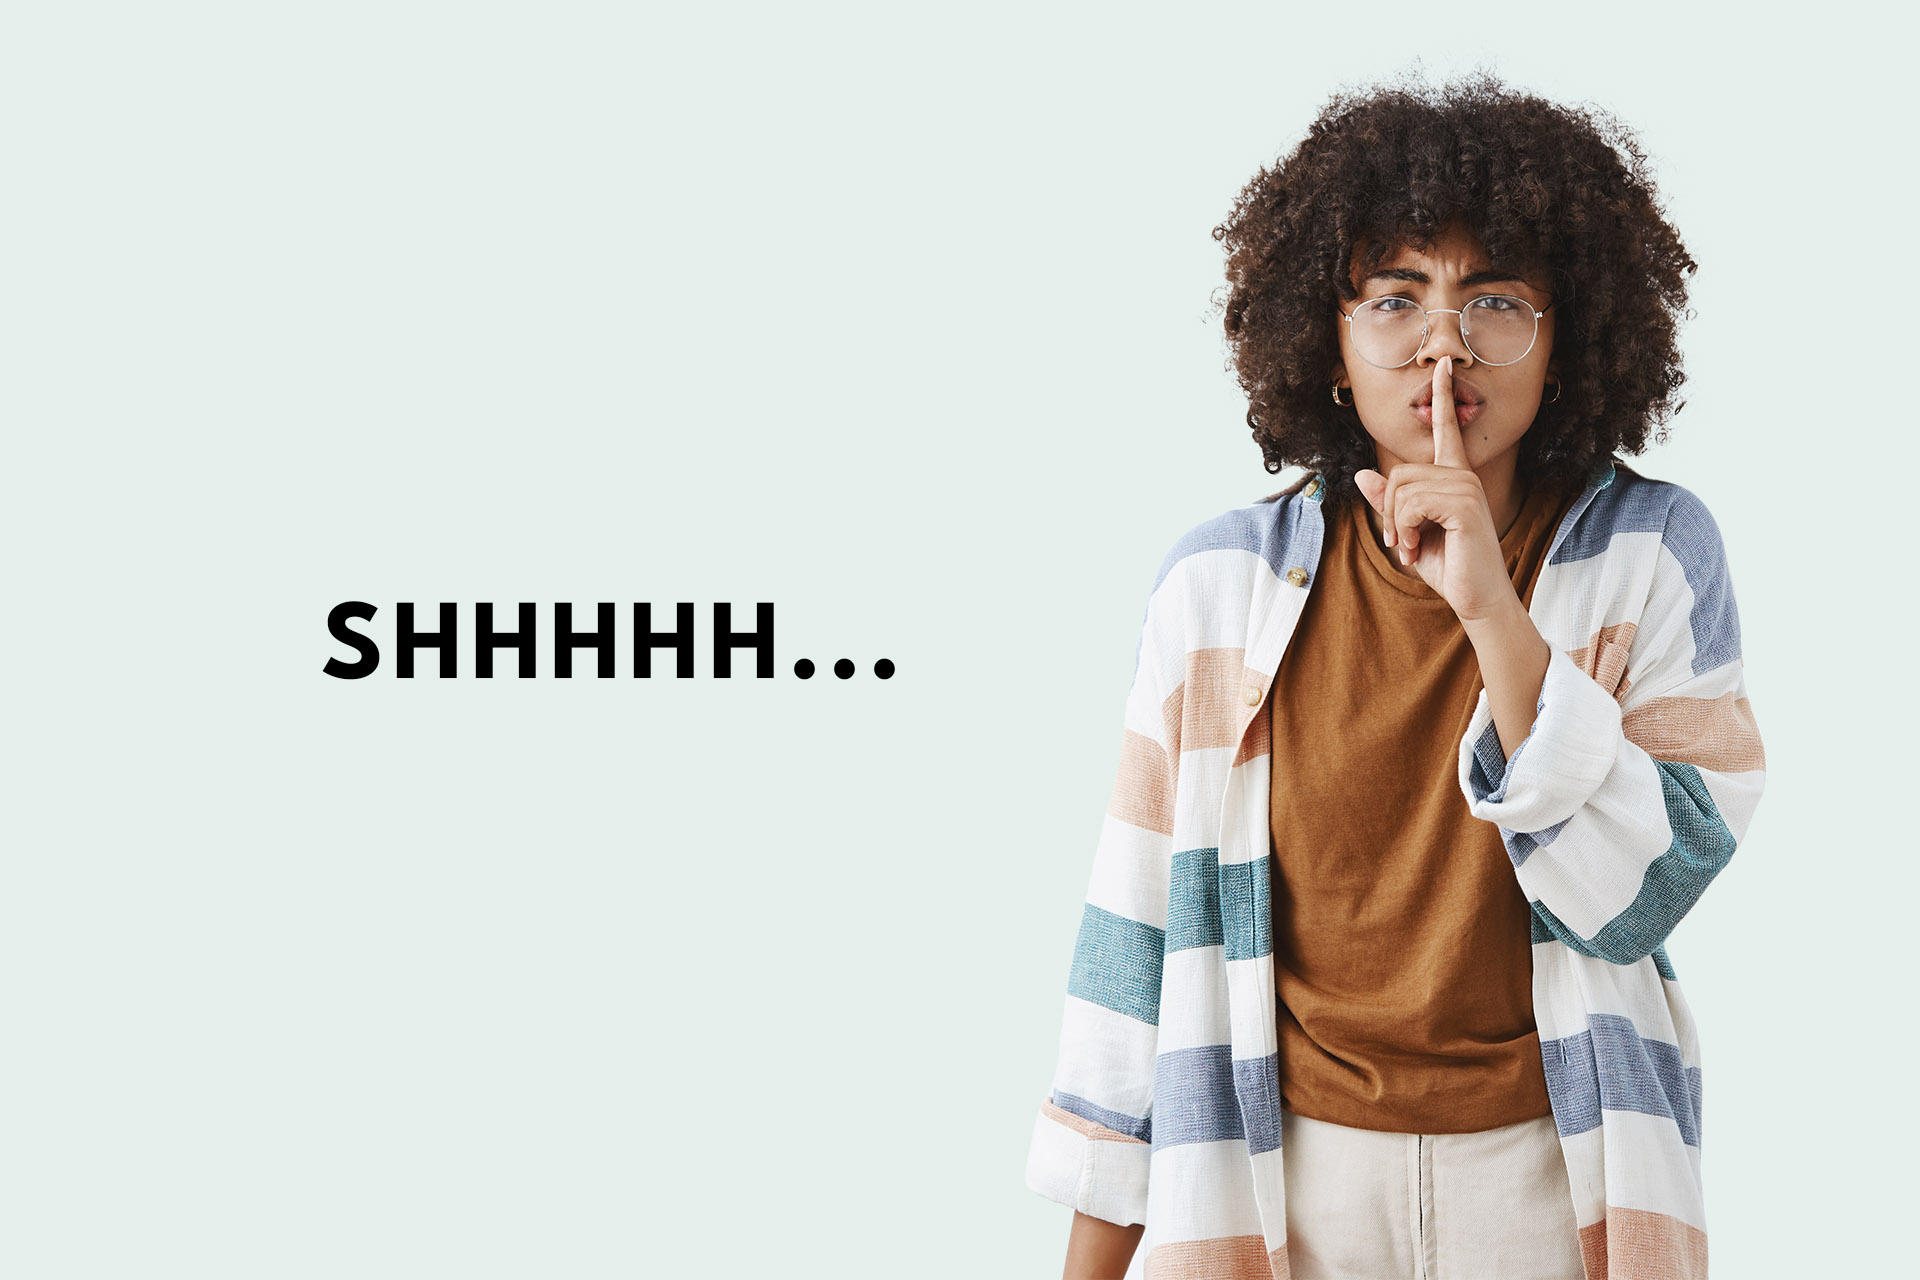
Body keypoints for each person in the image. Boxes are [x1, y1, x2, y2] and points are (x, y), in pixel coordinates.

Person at [1026, 70, 1766, 1280]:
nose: (1443, 343)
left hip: (1555, 1175)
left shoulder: (1655, 557)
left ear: (1565, 332)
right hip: (1280, 1179)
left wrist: (1490, 608)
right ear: (1326, 339)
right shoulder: (1217, 590)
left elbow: (1648, 889)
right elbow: (1134, 931)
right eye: (1394, 296)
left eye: (1497, 299)